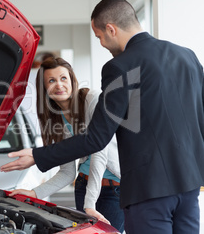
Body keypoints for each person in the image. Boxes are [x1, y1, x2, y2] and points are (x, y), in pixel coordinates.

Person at [1, 0, 204, 234]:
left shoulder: (119, 67)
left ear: (111, 29)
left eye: (99, 37)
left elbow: (97, 138)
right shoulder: (187, 56)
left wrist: (38, 155)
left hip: (147, 191)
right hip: (189, 185)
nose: (102, 44)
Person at [9, 56, 124, 231]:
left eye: (64, 78)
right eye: (52, 80)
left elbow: (99, 150)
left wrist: (90, 203)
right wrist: (34, 193)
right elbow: (67, 172)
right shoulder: (56, 119)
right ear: (44, 88)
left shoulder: (91, 99)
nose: (59, 85)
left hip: (113, 190)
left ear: (72, 80)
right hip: (83, 186)